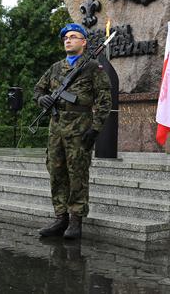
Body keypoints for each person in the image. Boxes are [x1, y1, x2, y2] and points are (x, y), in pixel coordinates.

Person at [34, 23, 112, 239]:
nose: (68, 40)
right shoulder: (56, 68)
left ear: (84, 42)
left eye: (73, 36)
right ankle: (61, 218)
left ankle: (76, 220)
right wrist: (42, 99)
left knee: (77, 173)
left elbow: (105, 102)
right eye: (65, 37)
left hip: (80, 128)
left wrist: (95, 130)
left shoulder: (93, 68)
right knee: (56, 173)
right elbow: (38, 89)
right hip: (56, 128)